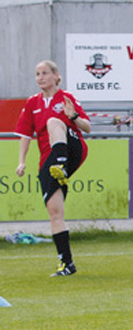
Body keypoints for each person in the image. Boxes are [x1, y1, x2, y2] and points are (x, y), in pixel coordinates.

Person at [14, 60, 92, 276]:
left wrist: (72, 116)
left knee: (52, 123)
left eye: (45, 73)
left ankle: (61, 165)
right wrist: (22, 161)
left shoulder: (66, 98)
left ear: (56, 76)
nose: (40, 77)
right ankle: (67, 263)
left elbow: (87, 126)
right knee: (54, 212)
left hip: (72, 147)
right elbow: (25, 135)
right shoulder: (32, 103)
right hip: (47, 161)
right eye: (37, 73)